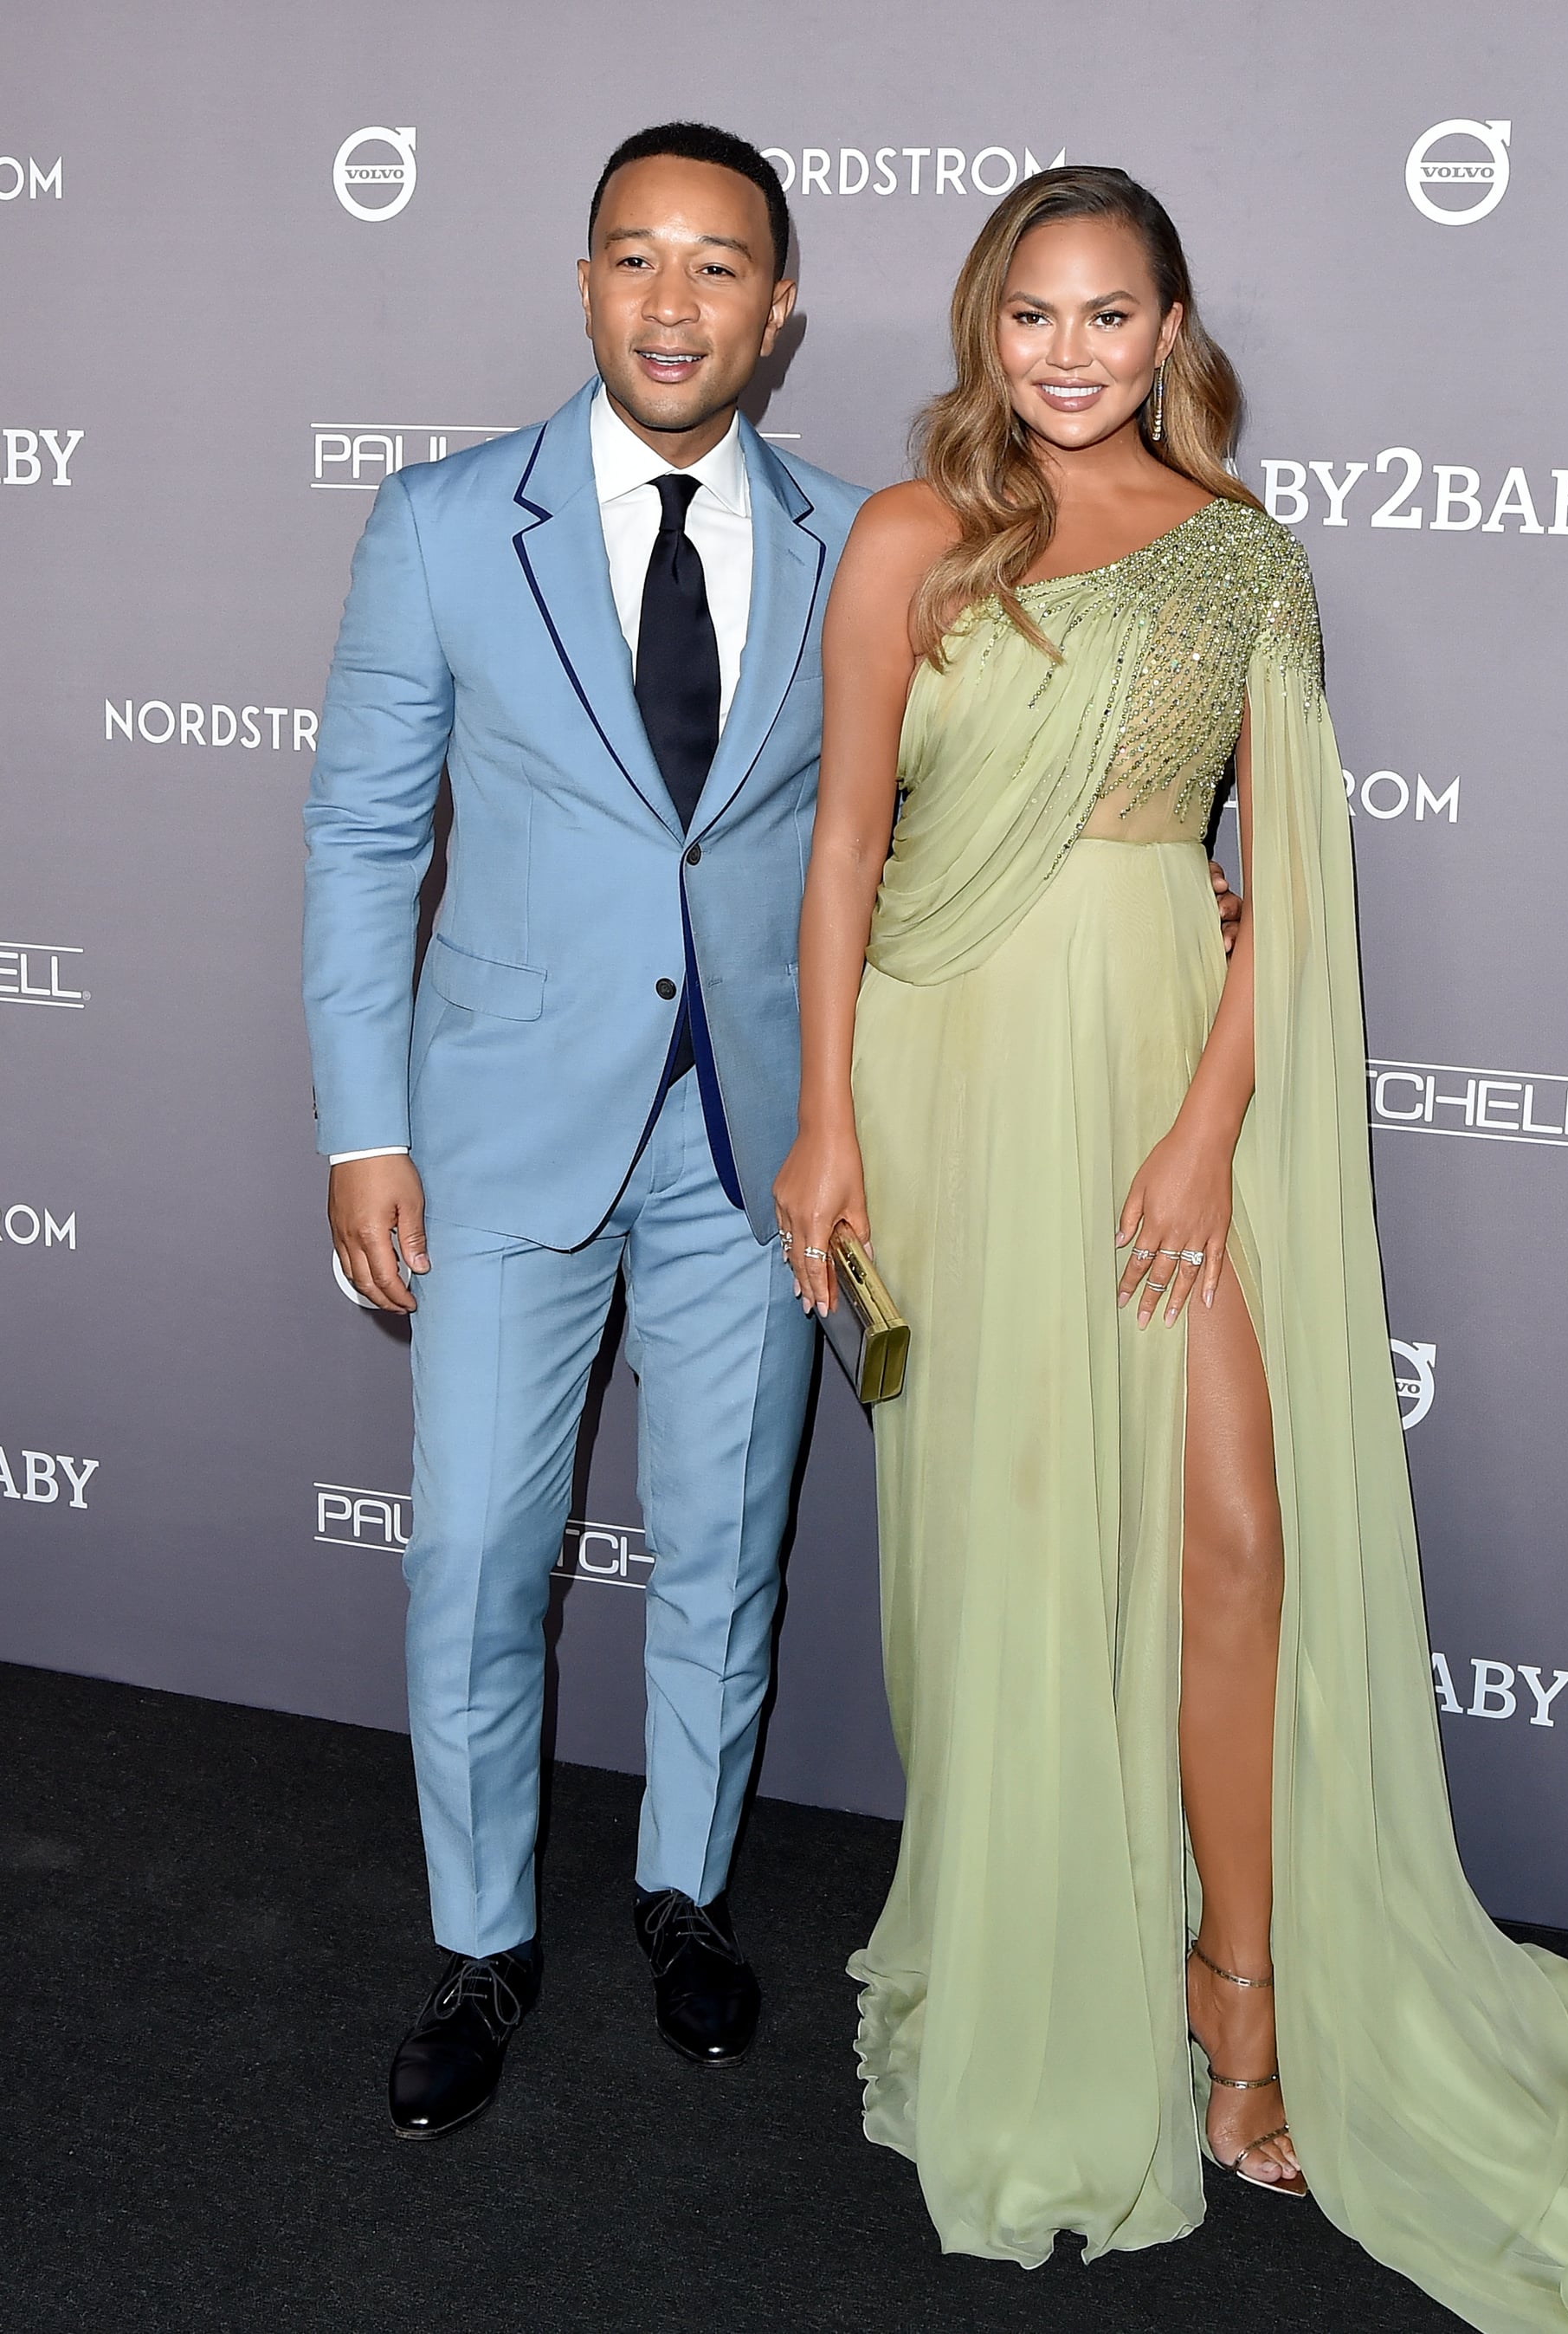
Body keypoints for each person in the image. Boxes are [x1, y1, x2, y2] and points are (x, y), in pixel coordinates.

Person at [774, 165, 1568, 2321]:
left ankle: (1242, 1991)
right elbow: (847, 832)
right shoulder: (902, 540)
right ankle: (1069, 1970)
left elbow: (1291, 881)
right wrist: (827, 1121)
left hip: (1151, 1061)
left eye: (1107, 315)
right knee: (1024, 1541)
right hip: (946, 1069)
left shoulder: (1240, 560)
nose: (1065, 353)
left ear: (1168, 331)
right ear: (984, 324)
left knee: (1236, 1535)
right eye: (1030, 314)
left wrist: (1205, 1125)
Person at [301, 122, 871, 2137]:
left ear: (777, 307)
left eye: (719, 265)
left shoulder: (853, 538)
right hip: (498, 1130)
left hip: (759, 1141)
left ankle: (688, 1893)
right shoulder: (448, 522)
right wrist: (363, 1127)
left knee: (722, 1548)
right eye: (635, 257)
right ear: (583, 285)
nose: (671, 300)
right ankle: (481, 1934)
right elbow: (368, 836)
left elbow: (899, 838)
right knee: (473, 1548)